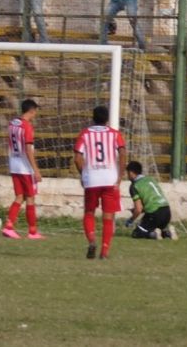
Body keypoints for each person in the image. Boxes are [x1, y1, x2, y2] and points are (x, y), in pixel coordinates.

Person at [73, 105, 126, 259]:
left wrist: (83, 174)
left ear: (93, 118)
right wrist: (120, 176)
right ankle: (104, 251)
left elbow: (77, 157)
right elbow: (122, 153)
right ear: (107, 119)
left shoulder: (85, 133)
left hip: (92, 179)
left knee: (89, 212)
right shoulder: (115, 134)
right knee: (108, 217)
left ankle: (91, 240)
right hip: (110, 179)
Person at [2, 99, 44, 240]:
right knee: (30, 198)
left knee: (20, 197)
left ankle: (9, 226)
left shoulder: (12, 123)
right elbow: (28, 150)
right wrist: (36, 169)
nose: (36, 114)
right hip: (26, 168)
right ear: (31, 111)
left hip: (14, 164)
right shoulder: (27, 126)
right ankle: (32, 232)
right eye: (36, 111)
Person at [125, 161, 177, 240]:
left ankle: (154, 234)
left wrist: (130, 220)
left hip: (155, 214)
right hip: (167, 212)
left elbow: (138, 209)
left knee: (136, 233)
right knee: (152, 225)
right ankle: (167, 232)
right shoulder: (150, 179)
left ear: (131, 173)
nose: (127, 175)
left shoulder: (134, 186)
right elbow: (150, 202)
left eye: (127, 173)